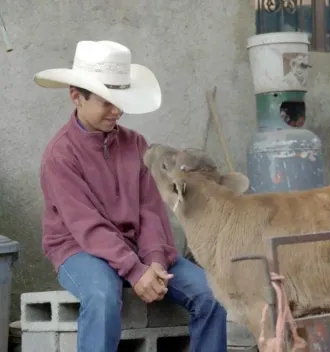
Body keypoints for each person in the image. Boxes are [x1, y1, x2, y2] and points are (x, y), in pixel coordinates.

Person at [35, 40, 227, 352]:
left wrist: (153, 261)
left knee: (211, 294)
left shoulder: (136, 144)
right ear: (75, 96)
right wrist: (135, 271)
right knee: (102, 296)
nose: (117, 110)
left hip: (138, 248)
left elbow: (151, 212)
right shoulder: (59, 157)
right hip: (79, 249)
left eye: (120, 99)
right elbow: (88, 228)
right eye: (106, 101)